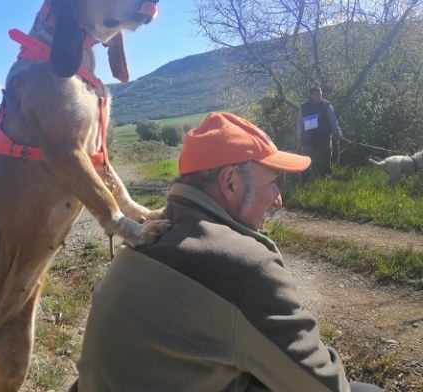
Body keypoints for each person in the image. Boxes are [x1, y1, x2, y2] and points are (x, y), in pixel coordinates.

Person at [71, 112, 384, 392]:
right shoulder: (245, 267)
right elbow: (326, 387)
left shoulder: (140, 245)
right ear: (230, 182)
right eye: (274, 181)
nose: (278, 200)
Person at [296, 86, 343, 181]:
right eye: (317, 95)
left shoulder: (326, 105)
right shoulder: (303, 107)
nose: (319, 97)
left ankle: (326, 181)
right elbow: (300, 123)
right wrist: (299, 138)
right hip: (308, 140)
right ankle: (305, 182)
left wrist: (338, 132)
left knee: (326, 162)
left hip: (324, 139)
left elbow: (333, 120)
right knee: (306, 162)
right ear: (310, 95)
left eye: (320, 94)